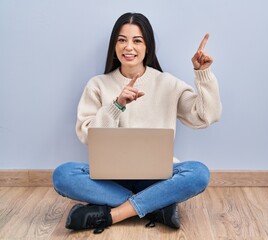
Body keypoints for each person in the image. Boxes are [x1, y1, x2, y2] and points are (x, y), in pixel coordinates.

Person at [52, 12, 221, 234]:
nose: (128, 47)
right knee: (63, 175)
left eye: (137, 40)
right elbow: (86, 135)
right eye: (122, 40)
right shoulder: (98, 85)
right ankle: (155, 206)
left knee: (199, 172)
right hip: (111, 179)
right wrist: (117, 105)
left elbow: (206, 116)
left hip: (158, 178)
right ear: (114, 45)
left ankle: (114, 214)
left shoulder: (167, 83)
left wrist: (203, 74)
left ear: (147, 47)